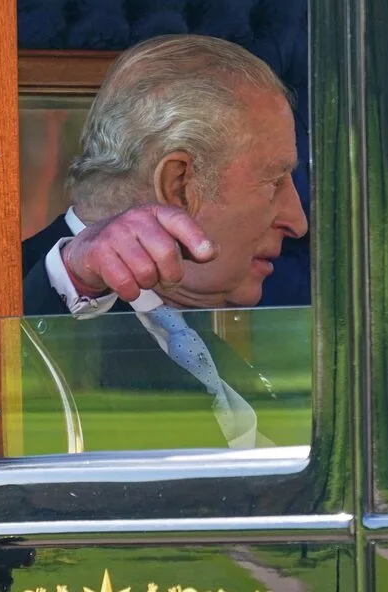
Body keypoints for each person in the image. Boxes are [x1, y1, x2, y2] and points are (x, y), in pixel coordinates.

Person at [21, 34, 308, 450]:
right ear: (179, 185)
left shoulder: (196, 341)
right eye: (274, 181)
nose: (296, 221)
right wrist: (77, 274)